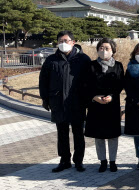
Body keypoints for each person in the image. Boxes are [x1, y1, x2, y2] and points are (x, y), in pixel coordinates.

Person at [39, 31, 92, 172]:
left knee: (78, 133)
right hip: (58, 101)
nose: (63, 43)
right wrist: (45, 98)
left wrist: (88, 100)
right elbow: (43, 81)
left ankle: (79, 161)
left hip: (77, 102)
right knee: (62, 133)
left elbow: (90, 82)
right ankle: (64, 160)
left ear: (73, 42)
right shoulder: (51, 60)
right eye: (60, 41)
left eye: (66, 40)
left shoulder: (83, 59)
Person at [84, 38, 125, 172]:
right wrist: (94, 97)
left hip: (112, 105)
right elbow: (86, 84)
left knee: (113, 135)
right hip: (96, 104)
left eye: (107, 48)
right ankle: (102, 161)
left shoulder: (118, 65)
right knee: (99, 136)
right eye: (101, 48)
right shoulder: (91, 65)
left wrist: (111, 96)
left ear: (113, 50)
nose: (104, 51)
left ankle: (113, 161)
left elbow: (120, 84)